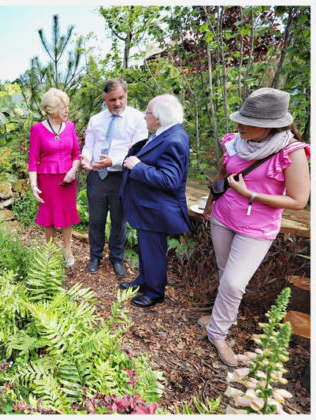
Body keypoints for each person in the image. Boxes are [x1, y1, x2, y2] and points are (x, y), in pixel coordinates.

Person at [200, 88, 310, 366]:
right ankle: (221, 316)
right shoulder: (236, 141)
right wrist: (209, 204)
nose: (239, 126)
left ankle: (218, 332)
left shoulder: (291, 152)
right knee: (226, 273)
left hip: (257, 228)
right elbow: (223, 173)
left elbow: (298, 200)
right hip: (224, 217)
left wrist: (251, 194)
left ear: (270, 125)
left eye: (247, 122)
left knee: (235, 283)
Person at [119, 94, 190, 308]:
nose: (144, 117)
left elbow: (170, 180)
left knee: (154, 250)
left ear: (158, 118)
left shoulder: (175, 138)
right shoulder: (166, 133)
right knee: (147, 248)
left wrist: (138, 166)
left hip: (156, 209)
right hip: (148, 206)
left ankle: (155, 291)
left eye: (147, 113)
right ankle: (144, 280)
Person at [80, 78, 147, 277]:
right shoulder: (96, 120)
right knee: (96, 219)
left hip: (122, 176)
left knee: (119, 221)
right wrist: (85, 158)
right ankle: (95, 257)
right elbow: (89, 145)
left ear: (126, 95)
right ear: (104, 99)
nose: (117, 103)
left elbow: (139, 150)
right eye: (112, 100)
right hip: (97, 176)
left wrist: (114, 161)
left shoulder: (137, 118)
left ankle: (117, 258)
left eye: (121, 98)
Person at [28, 88, 81, 266]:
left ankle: (67, 250)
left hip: (68, 179)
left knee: (67, 216)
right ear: (50, 110)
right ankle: (49, 252)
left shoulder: (71, 127)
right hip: (47, 180)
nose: (66, 110)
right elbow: (33, 160)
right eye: (62, 107)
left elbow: (77, 153)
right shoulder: (37, 129)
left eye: (67, 106)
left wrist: (73, 170)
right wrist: (34, 185)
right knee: (49, 217)